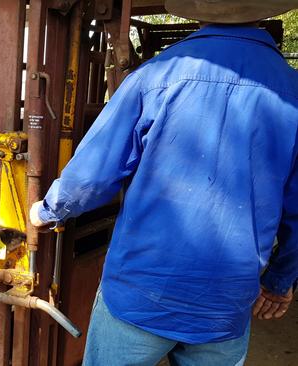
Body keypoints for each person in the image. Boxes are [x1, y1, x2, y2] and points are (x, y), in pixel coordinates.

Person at [29, 1, 298, 365]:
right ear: (265, 12)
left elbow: (92, 176)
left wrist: (47, 210)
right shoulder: (291, 90)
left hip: (140, 291)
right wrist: (280, 283)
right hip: (225, 303)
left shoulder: (156, 75)